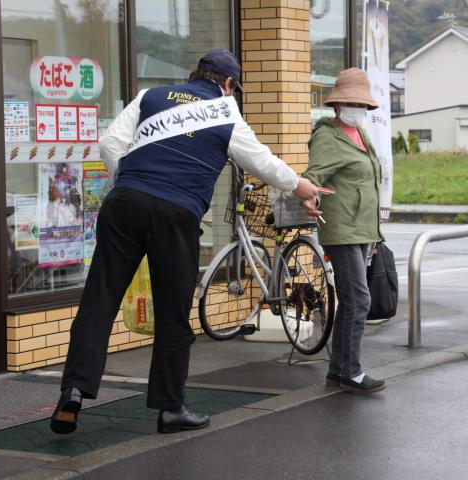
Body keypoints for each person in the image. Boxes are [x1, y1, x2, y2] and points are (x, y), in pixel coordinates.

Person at [50, 49, 319, 435]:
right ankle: (169, 408)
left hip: (124, 204)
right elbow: (262, 161)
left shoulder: (151, 97)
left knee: (99, 300)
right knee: (173, 314)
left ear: (195, 75)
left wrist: (131, 181)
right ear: (228, 85)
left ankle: (74, 390)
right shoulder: (226, 112)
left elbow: (110, 143)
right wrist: (301, 185)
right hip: (176, 214)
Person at [301, 68, 386, 395]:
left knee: (353, 299)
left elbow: (368, 180)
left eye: (361, 103)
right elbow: (314, 175)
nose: (357, 108)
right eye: (351, 102)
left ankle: (339, 370)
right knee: (358, 299)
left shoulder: (360, 133)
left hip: (361, 227)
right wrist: (308, 196)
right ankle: (350, 370)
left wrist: (375, 233)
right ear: (338, 104)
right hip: (341, 227)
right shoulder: (327, 135)